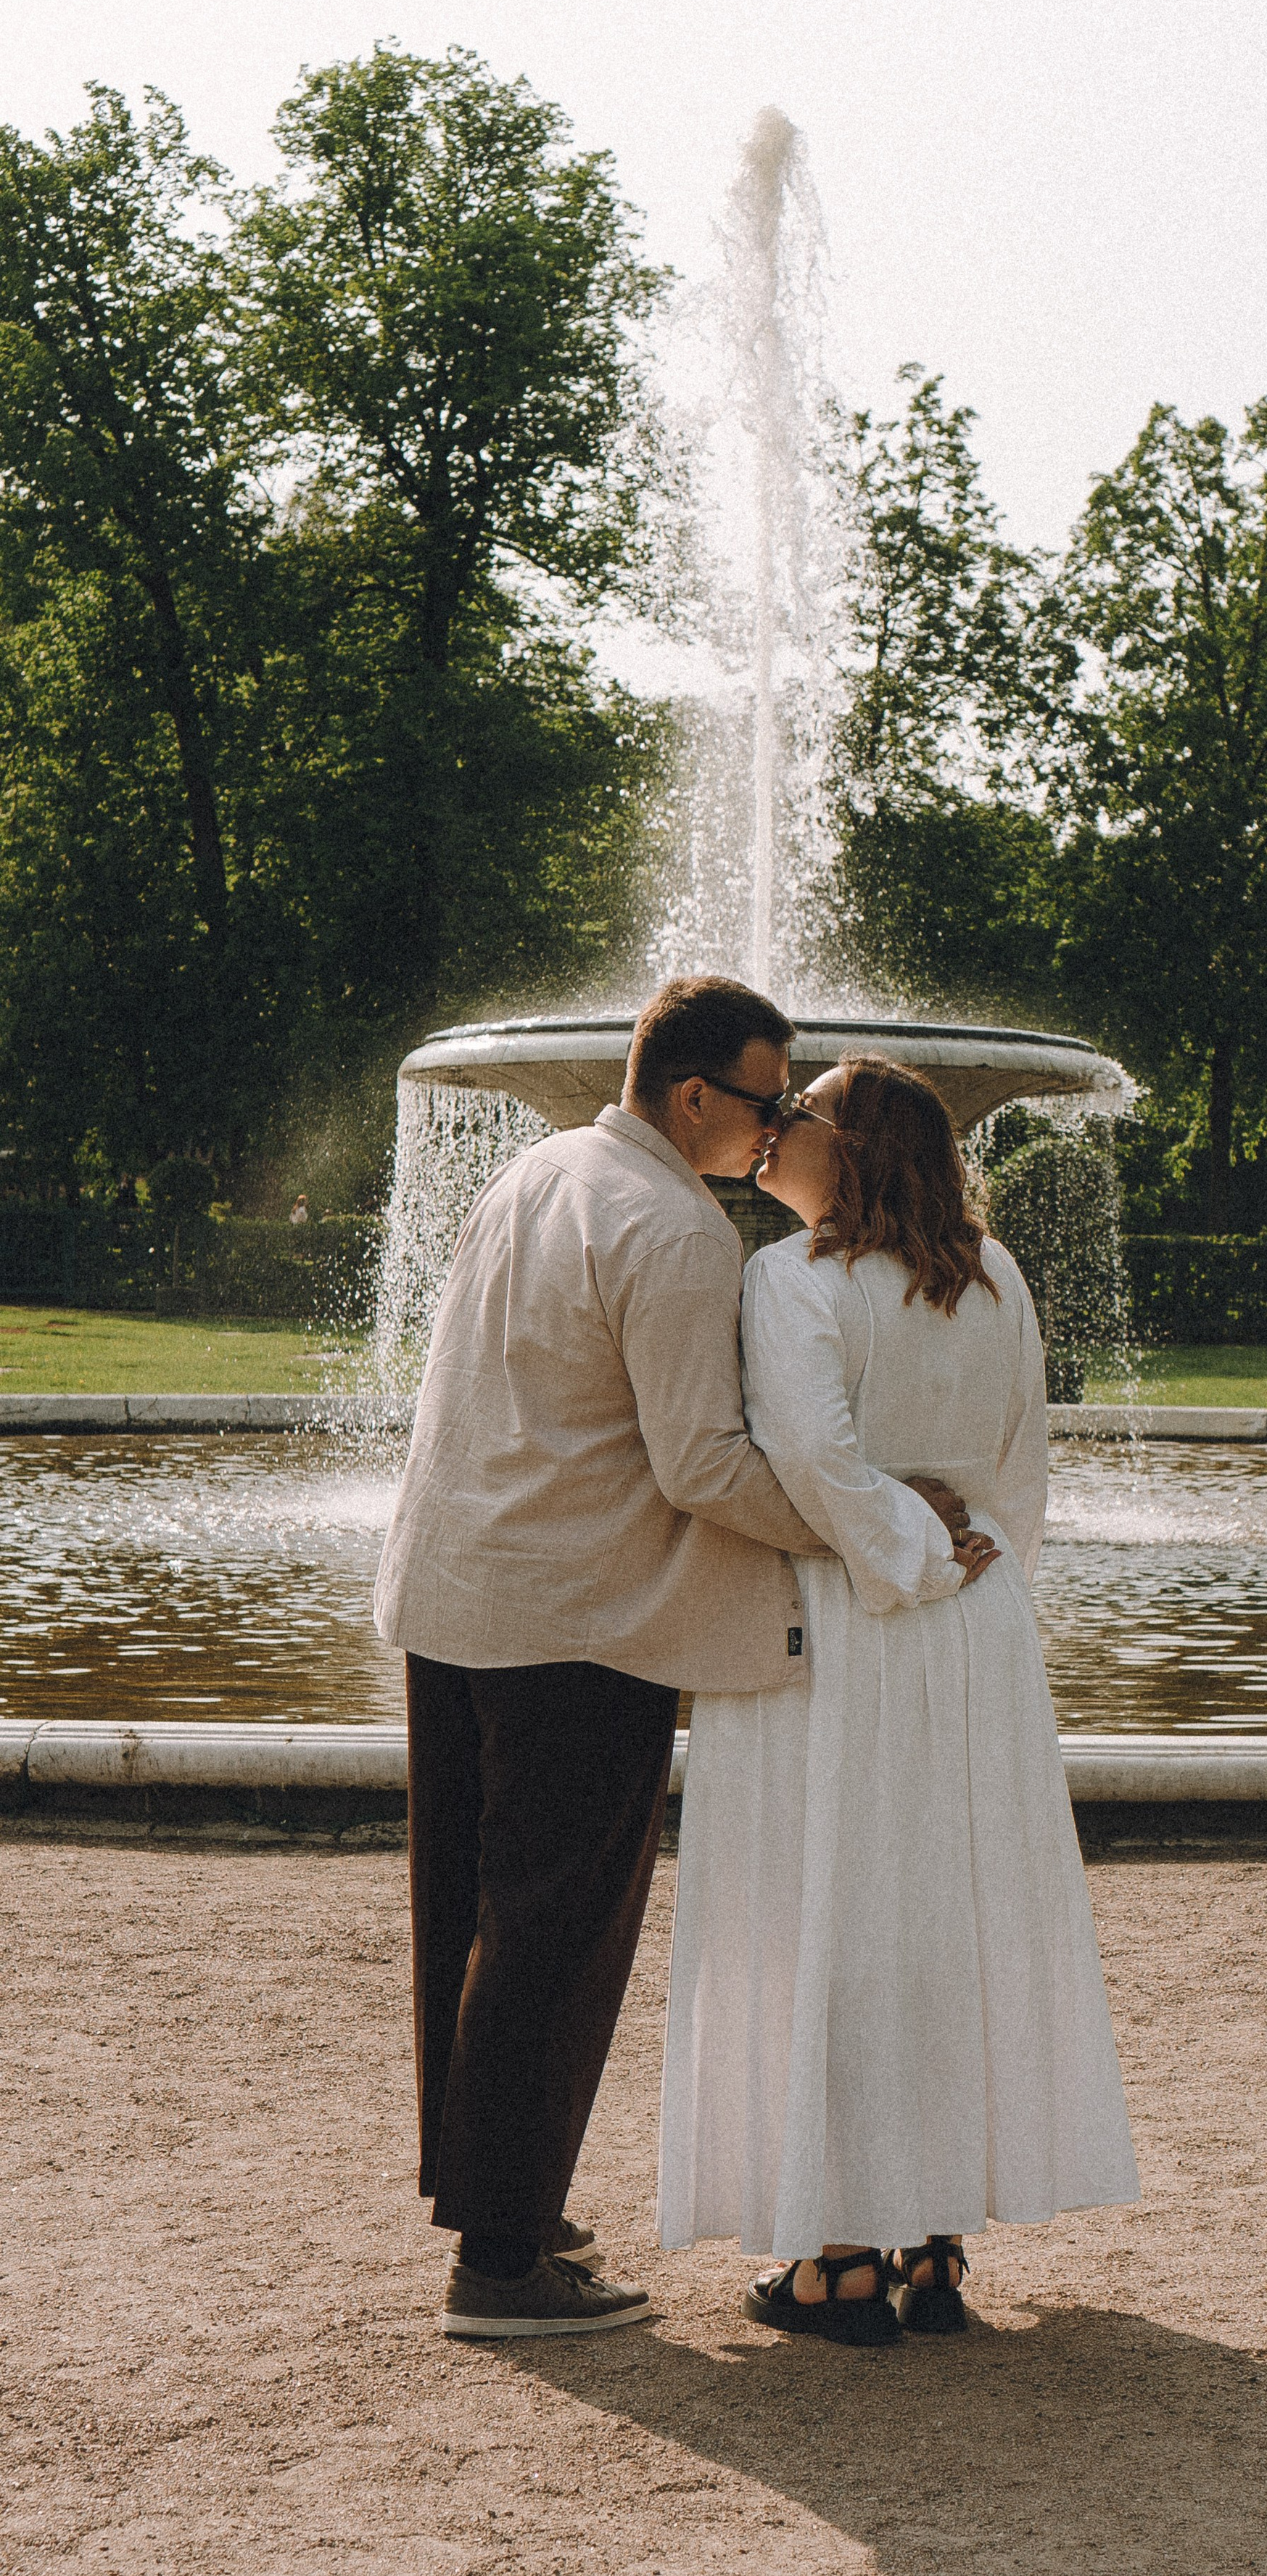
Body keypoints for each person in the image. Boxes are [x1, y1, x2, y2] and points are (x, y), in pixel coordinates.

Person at [374, 979, 976, 2344]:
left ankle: (492, 2201)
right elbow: (703, 1465)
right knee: (555, 1934)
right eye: (768, 1101)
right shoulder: (680, 1230)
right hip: (580, 1618)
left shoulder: (542, 1171)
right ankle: (505, 2263)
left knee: (467, 1915)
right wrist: (877, 1521)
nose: (777, 1131)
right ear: (696, 1095)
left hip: (452, 1591)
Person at [657, 1056, 1139, 2345]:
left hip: (849, 1613)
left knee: (829, 1908)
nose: (773, 1133)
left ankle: (839, 2255)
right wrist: (974, 1571)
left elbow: (810, 1454)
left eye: (797, 1116)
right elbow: (1022, 1468)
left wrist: (903, 1558)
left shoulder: (791, 1277)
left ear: (851, 1147)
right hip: (973, 1622)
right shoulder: (995, 1276)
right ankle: (932, 2238)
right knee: (942, 1913)